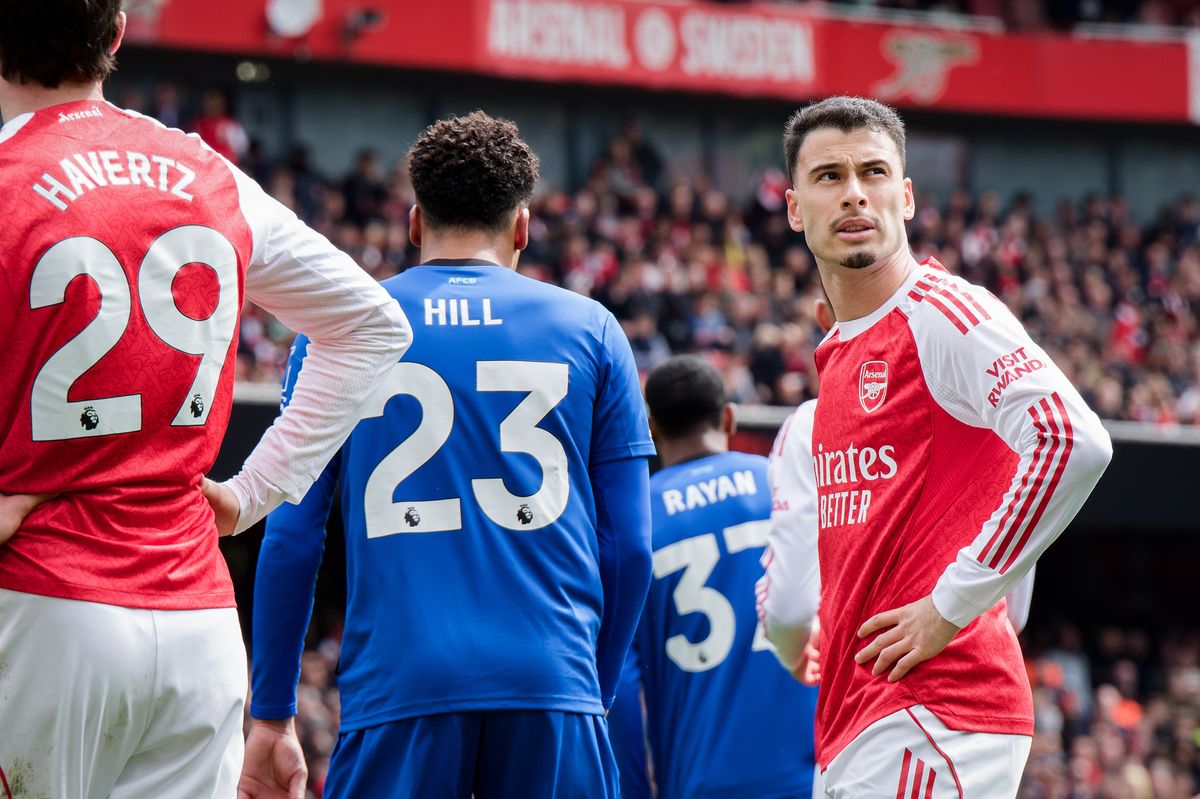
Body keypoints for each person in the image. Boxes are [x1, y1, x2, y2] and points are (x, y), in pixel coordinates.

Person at [0, 3, 411, 797]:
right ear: (117, 34)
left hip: (45, 604)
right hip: (199, 616)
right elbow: (369, 323)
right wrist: (253, 495)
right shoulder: (203, 170)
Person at [243, 111, 655, 799]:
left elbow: (290, 534)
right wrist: (592, 689)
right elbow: (630, 549)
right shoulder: (593, 329)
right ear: (522, 227)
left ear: (413, 223)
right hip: (552, 680)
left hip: (401, 687)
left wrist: (272, 712)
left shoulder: (339, 332)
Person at [768, 96, 1111, 796]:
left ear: (907, 195)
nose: (855, 191)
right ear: (795, 207)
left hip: (937, 713)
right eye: (829, 176)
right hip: (859, 718)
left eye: (873, 171)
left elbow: (1072, 439)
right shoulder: (837, 354)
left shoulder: (943, 313)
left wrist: (950, 604)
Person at [608, 354, 819, 799]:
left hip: (701, 781)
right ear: (729, 416)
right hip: (818, 770)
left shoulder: (635, 521)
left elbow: (619, 687)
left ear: (653, 430)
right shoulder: (785, 484)